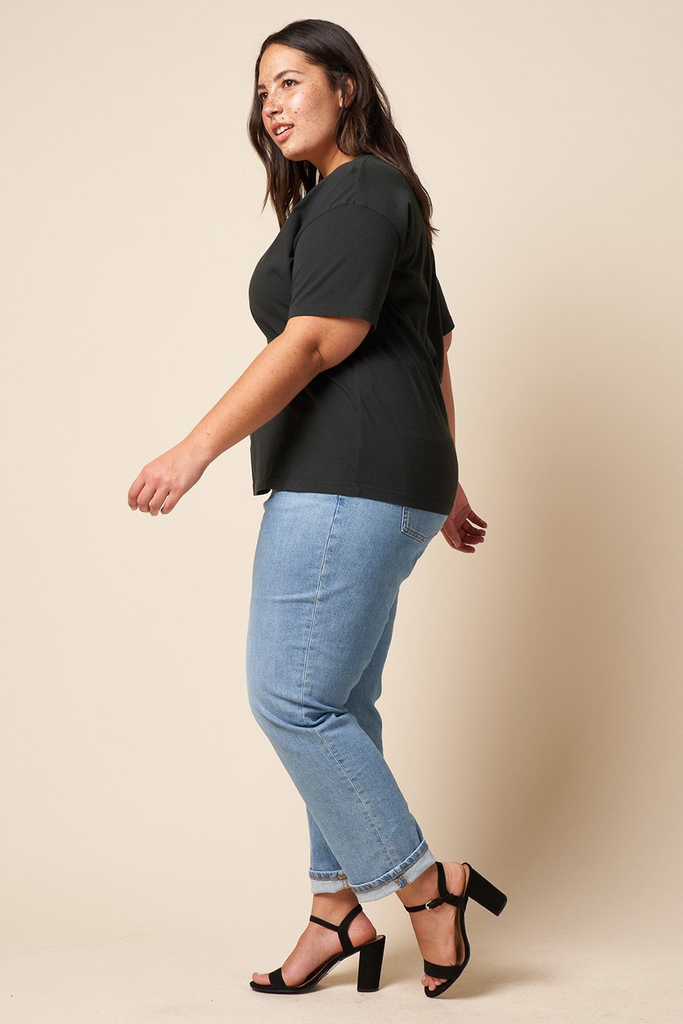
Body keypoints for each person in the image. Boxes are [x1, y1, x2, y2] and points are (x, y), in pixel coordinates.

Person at [127, 18, 507, 1000]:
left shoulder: (361, 189)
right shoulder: (361, 196)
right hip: (386, 478)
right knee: (337, 706)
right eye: (262, 92)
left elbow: (311, 344)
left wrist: (193, 449)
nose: (272, 104)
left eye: (290, 81)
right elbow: (431, 344)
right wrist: (445, 476)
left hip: (346, 479)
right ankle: (335, 909)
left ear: (346, 87)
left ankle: (425, 885)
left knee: (290, 701)